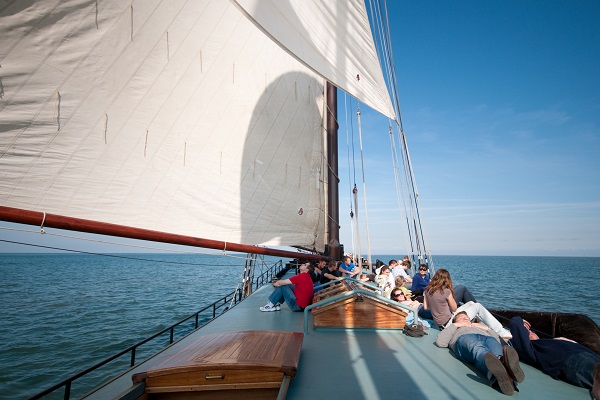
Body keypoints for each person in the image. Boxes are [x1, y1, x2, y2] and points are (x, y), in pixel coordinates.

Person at [435, 311, 524, 396]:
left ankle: (505, 372)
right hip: (464, 338)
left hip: (487, 338)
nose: (464, 318)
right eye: (461, 318)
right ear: (455, 321)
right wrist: (455, 325)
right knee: (478, 349)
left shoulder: (480, 327)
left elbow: (500, 342)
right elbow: (441, 342)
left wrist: (487, 329)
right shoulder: (455, 328)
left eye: (466, 317)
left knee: (498, 350)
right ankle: (497, 371)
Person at [509, 315, 600, 393]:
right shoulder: (533, 349)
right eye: (526, 332)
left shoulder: (548, 342)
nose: (530, 332)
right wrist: (519, 319)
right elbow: (515, 324)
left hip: (589, 354)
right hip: (573, 361)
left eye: (531, 331)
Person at [423, 268, 512, 339]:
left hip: (439, 323)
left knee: (470, 303)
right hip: (449, 323)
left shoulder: (427, 290)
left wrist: (437, 306)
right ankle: (501, 332)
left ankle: (478, 318)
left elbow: (426, 307)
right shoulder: (446, 291)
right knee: (477, 306)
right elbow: (454, 308)